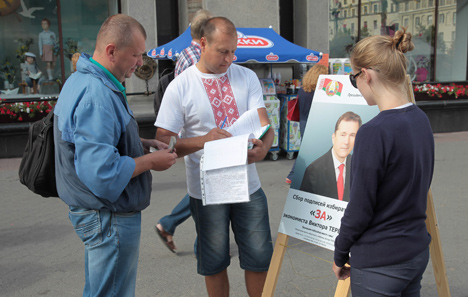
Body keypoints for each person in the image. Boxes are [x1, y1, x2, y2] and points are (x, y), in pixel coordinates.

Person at [53, 14, 177, 297]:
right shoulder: (96, 93)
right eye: (135, 55)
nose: (140, 63)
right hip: (108, 215)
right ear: (111, 51)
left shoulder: (84, 80)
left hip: (101, 213)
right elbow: (102, 173)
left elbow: (99, 143)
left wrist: (141, 143)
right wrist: (150, 161)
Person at [155, 17, 274, 297]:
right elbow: (162, 143)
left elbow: (265, 124)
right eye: (223, 51)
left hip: (249, 186)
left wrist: (264, 148)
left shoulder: (246, 76)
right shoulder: (180, 86)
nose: (230, 59)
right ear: (203, 43)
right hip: (207, 192)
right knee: (214, 263)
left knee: (259, 259)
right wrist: (202, 141)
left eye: (234, 51)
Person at [333, 29, 435, 296]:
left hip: (380, 261)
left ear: (366, 75)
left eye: (354, 79)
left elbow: (361, 208)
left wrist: (340, 251)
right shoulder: (420, 119)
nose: (356, 86)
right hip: (415, 250)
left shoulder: (374, 131)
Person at [154, 9, 212, 254]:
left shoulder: (185, 53)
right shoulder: (200, 55)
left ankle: (170, 225)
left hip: (190, 132)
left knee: (204, 188)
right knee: (205, 189)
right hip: (202, 134)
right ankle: (204, 245)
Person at [300, 111, 361, 201]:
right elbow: (303, 205)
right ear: (334, 137)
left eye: (352, 135)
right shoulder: (314, 170)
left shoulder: (358, 167)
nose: (346, 142)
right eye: (343, 135)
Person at [286, 64, 328, 184]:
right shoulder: (319, 92)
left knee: (307, 149)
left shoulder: (304, 89)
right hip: (314, 122)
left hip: (303, 121)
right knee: (309, 150)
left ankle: (294, 175)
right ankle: (293, 175)